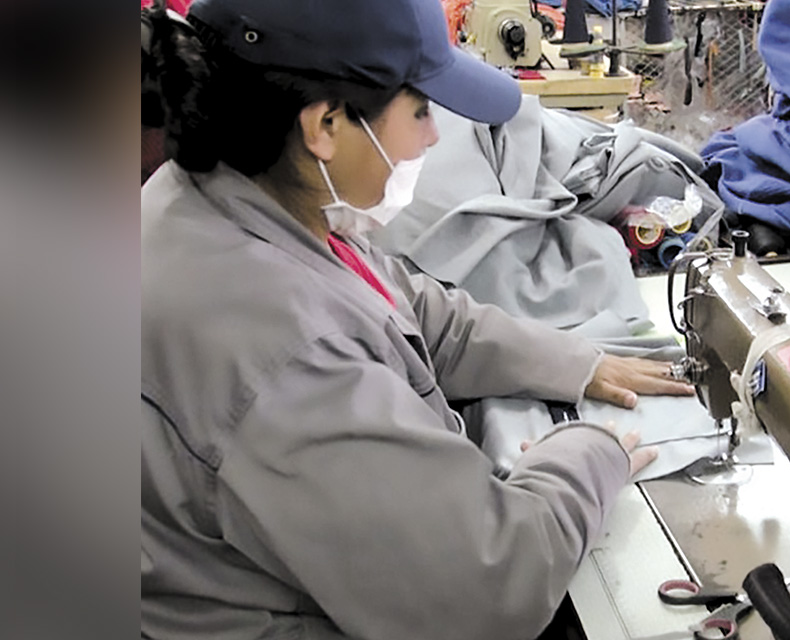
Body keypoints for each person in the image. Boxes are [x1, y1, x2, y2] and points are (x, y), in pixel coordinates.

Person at [140, 1, 693, 639]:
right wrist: (589, 452)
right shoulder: (280, 350)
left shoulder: (234, 195)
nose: (434, 137)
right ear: (324, 124)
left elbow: (417, 309)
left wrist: (579, 365)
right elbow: (490, 585)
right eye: (423, 110)